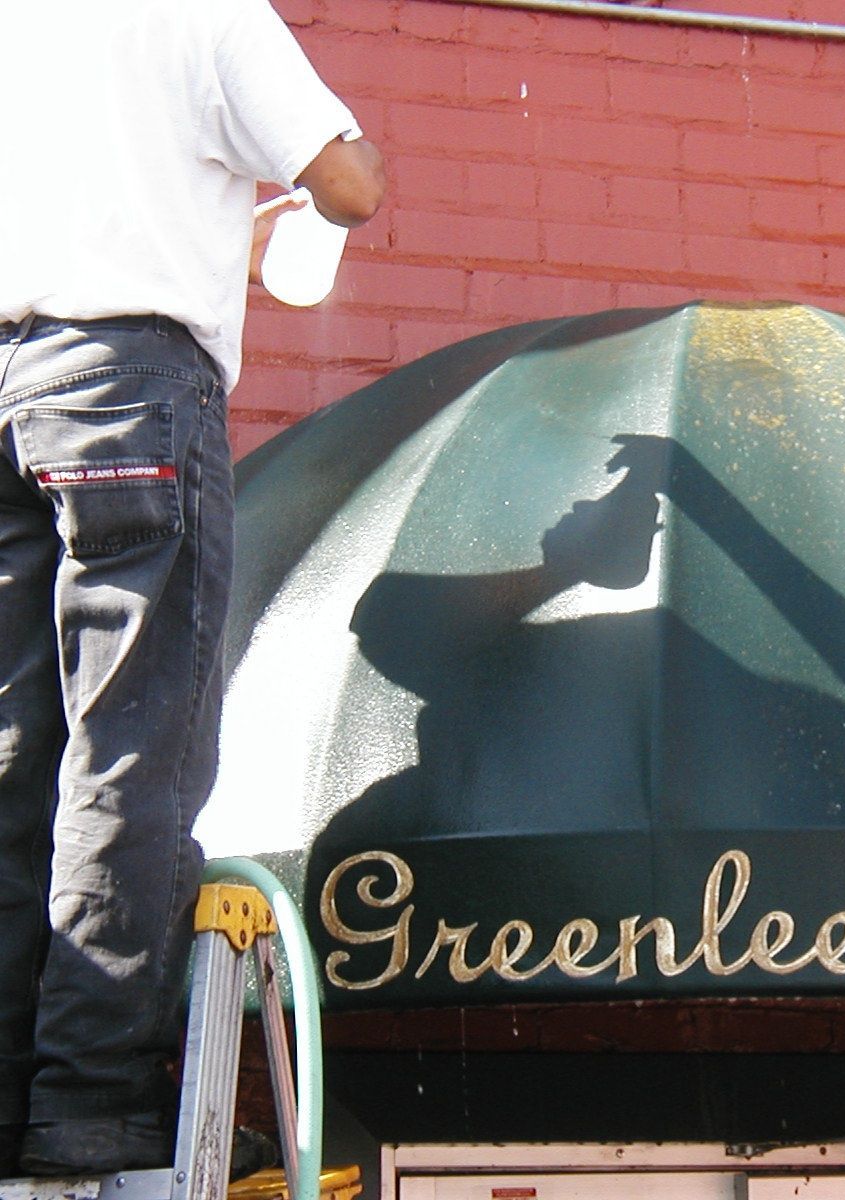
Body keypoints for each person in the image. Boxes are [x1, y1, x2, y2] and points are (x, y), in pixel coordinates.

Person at [0, 0, 385, 1177]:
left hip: (11, 389)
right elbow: (350, 184)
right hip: (131, 393)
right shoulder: (208, 12)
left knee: (15, 758)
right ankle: (88, 1099)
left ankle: (12, 1096)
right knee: (134, 750)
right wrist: (308, 196)